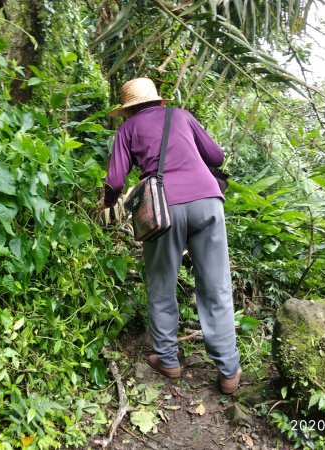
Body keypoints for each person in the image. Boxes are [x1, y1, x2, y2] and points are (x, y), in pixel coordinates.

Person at [102, 77, 241, 394]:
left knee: (161, 283)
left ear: (127, 109)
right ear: (156, 100)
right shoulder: (181, 115)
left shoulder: (127, 130)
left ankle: (168, 360)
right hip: (208, 202)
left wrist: (107, 204)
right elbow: (217, 157)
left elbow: (115, 181)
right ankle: (229, 370)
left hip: (163, 209)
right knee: (216, 286)